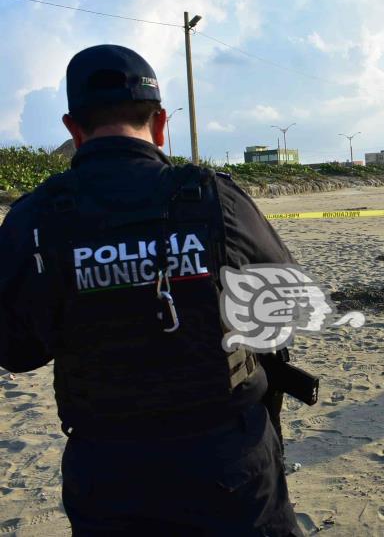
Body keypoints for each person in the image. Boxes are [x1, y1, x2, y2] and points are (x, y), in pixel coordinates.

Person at [0, 45, 303, 536]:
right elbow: (282, 311)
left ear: (73, 129)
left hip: (110, 472)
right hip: (230, 466)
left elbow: (16, 351)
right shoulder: (214, 197)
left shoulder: (34, 218)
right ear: (161, 124)